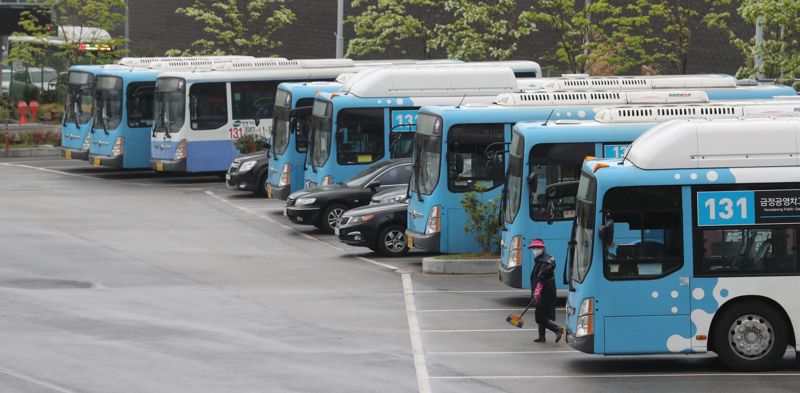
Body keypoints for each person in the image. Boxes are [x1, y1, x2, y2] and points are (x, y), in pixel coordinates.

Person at [529, 239, 565, 343]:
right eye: (533, 248)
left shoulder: (545, 262)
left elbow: (541, 277)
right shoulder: (542, 258)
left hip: (544, 293)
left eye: (537, 248)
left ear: (542, 248)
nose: (535, 250)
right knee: (542, 313)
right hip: (546, 292)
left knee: (539, 317)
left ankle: (557, 329)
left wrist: (537, 291)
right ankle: (542, 337)